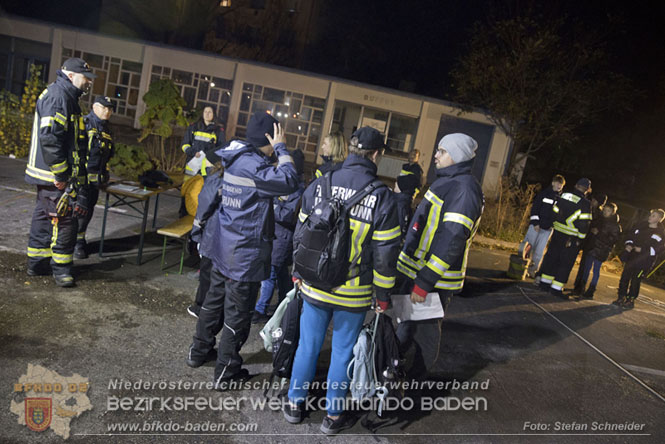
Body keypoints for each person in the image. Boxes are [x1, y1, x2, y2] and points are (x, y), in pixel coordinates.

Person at [284, 127, 400, 435]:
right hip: (354, 292)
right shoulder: (383, 198)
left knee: (307, 346)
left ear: (349, 149)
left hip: (315, 285)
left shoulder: (321, 184)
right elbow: (386, 258)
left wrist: (297, 271)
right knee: (343, 351)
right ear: (377, 155)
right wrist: (383, 295)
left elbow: (300, 235)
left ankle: (295, 403)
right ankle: (333, 415)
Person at [186, 112, 299, 387]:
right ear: (269, 138)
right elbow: (290, 180)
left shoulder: (234, 158)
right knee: (238, 314)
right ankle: (226, 372)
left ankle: (198, 352)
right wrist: (282, 148)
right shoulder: (256, 168)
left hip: (223, 247)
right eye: (277, 136)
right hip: (244, 255)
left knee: (213, 304)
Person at [395, 133, 484, 379]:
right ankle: (394, 371)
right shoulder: (449, 182)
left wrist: (424, 283)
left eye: (442, 151)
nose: (435, 155)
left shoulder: (464, 189)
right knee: (406, 325)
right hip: (418, 273)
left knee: (425, 336)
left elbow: (451, 240)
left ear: (457, 156)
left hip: (432, 281)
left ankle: (414, 383)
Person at [25, 57, 96, 287]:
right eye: (85, 78)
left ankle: (37, 262)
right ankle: (61, 269)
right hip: (54, 175)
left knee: (45, 216)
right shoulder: (59, 97)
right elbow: (50, 137)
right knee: (66, 220)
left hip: (48, 174)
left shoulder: (64, 95)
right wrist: (62, 175)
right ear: (71, 75)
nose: (88, 83)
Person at [252, 149, 306, 324]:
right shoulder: (287, 184)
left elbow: (287, 215)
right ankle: (286, 301)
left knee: (270, 274)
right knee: (281, 272)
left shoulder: (297, 190)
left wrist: (272, 205)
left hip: (283, 238)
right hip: (277, 236)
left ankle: (260, 309)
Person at [74, 96, 116, 259]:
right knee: (79, 212)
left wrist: (105, 173)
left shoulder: (107, 130)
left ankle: (79, 240)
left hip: (95, 181)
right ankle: (74, 243)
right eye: (104, 108)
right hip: (81, 179)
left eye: (110, 109)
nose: (107, 111)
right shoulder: (85, 123)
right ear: (94, 107)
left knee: (87, 212)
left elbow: (107, 156)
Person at [538, 178, 593, 298]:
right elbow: (584, 224)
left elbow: (554, 211)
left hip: (557, 232)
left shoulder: (564, 195)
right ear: (587, 190)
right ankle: (556, 288)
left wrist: (553, 224)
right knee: (565, 263)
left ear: (576, 185)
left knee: (552, 258)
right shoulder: (585, 204)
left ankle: (544, 283)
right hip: (571, 237)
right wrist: (580, 239)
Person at [186, 169, 225, 318]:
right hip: (231, 235)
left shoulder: (217, 179)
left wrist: (196, 233)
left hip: (214, 231)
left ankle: (202, 307)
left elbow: (204, 207)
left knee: (207, 273)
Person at [614, 209, 665, 309]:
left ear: (659, 219)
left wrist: (643, 250)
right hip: (632, 258)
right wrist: (629, 245)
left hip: (644, 262)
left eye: (653, 216)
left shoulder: (660, 234)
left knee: (635, 280)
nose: (650, 217)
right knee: (624, 277)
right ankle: (621, 297)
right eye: (651, 215)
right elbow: (630, 236)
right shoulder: (640, 226)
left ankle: (630, 300)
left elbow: (658, 249)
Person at [520, 174, 565, 278]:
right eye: (558, 183)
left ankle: (532, 271)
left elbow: (558, 215)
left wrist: (552, 226)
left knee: (539, 252)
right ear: (553, 183)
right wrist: (535, 223)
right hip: (536, 227)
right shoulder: (544, 194)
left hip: (547, 229)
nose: (559, 186)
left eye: (561, 185)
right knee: (528, 248)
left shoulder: (560, 199)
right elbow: (535, 209)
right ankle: (522, 268)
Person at [576, 202, 621, 299]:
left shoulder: (615, 225)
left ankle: (591, 290)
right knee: (586, 268)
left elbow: (613, 239)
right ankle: (581, 287)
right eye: (604, 210)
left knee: (596, 270)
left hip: (601, 250)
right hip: (591, 247)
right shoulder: (598, 219)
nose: (605, 212)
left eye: (608, 211)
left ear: (613, 212)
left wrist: (599, 233)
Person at [573, 192, 608, 293]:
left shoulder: (599, 215)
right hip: (582, 238)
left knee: (584, 266)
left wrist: (594, 230)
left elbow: (598, 228)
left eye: (595, 200)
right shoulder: (588, 208)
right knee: (576, 262)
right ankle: (577, 285)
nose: (592, 201)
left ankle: (579, 287)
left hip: (590, 242)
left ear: (599, 203)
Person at [181, 106, 226, 178]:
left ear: (214, 114)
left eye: (209, 112)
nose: (207, 114)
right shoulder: (193, 127)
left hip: (208, 167)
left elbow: (221, 149)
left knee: (204, 188)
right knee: (188, 187)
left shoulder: (218, 131)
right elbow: (184, 145)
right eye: (205, 112)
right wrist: (193, 152)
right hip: (192, 165)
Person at [394, 149, 424, 237]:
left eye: (415, 155)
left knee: (401, 215)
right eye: (411, 154)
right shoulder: (405, 166)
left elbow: (418, 185)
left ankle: (400, 233)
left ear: (418, 158)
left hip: (406, 196)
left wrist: (413, 195)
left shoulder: (417, 170)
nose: (412, 156)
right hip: (398, 193)